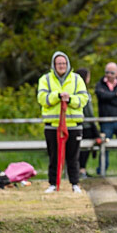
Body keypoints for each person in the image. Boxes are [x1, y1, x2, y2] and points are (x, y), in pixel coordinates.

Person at [37, 51, 88, 193]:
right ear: (54, 65)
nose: (61, 66)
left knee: (73, 157)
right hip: (52, 125)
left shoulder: (77, 79)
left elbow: (84, 99)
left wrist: (70, 99)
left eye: (64, 63)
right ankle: (53, 184)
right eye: (59, 63)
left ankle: (75, 184)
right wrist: (57, 96)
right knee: (54, 156)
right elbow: (42, 98)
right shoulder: (45, 79)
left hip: (73, 125)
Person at [95, 62, 117, 174]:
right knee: (104, 146)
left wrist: (109, 97)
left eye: (112, 72)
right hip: (106, 121)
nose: (109, 75)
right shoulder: (100, 84)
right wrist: (115, 95)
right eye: (107, 72)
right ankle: (102, 170)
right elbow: (101, 96)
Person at [75, 68, 102, 179]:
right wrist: (95, 128)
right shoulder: (83, 92)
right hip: (85, 125)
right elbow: (89, 112)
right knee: (83, 149)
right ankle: (81, 170)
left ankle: (81, 170)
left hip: (79, 124)